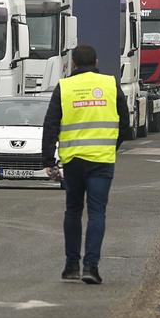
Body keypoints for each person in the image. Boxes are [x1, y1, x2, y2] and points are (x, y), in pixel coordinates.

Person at [41, 44, 130, 285]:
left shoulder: (65, 87)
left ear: (73, 64)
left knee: (73, 211)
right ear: (97, 61)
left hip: (73, 161)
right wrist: (111, 146)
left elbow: (50, 124)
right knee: (97, 212)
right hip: (101, 160)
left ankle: (71, 266)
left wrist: (49, 160)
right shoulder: (111, 84)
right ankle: (91, 267)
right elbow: (125, 124)